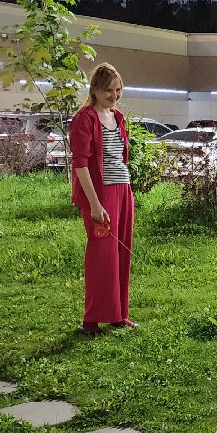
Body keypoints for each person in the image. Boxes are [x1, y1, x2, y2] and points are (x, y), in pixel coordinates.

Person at [69, 62, 138, 336]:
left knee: (121, 253)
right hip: (100, 193)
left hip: (123, 189)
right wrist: (95, 204)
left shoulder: (118, 117)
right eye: (109, 90)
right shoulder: (84, 119)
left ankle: (119, 315)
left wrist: (126, 190)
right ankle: (91, 319)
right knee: (101, 255)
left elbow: (120, 156)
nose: (114, 95)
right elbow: (81, 164)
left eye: (118, 89)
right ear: (95, 90)